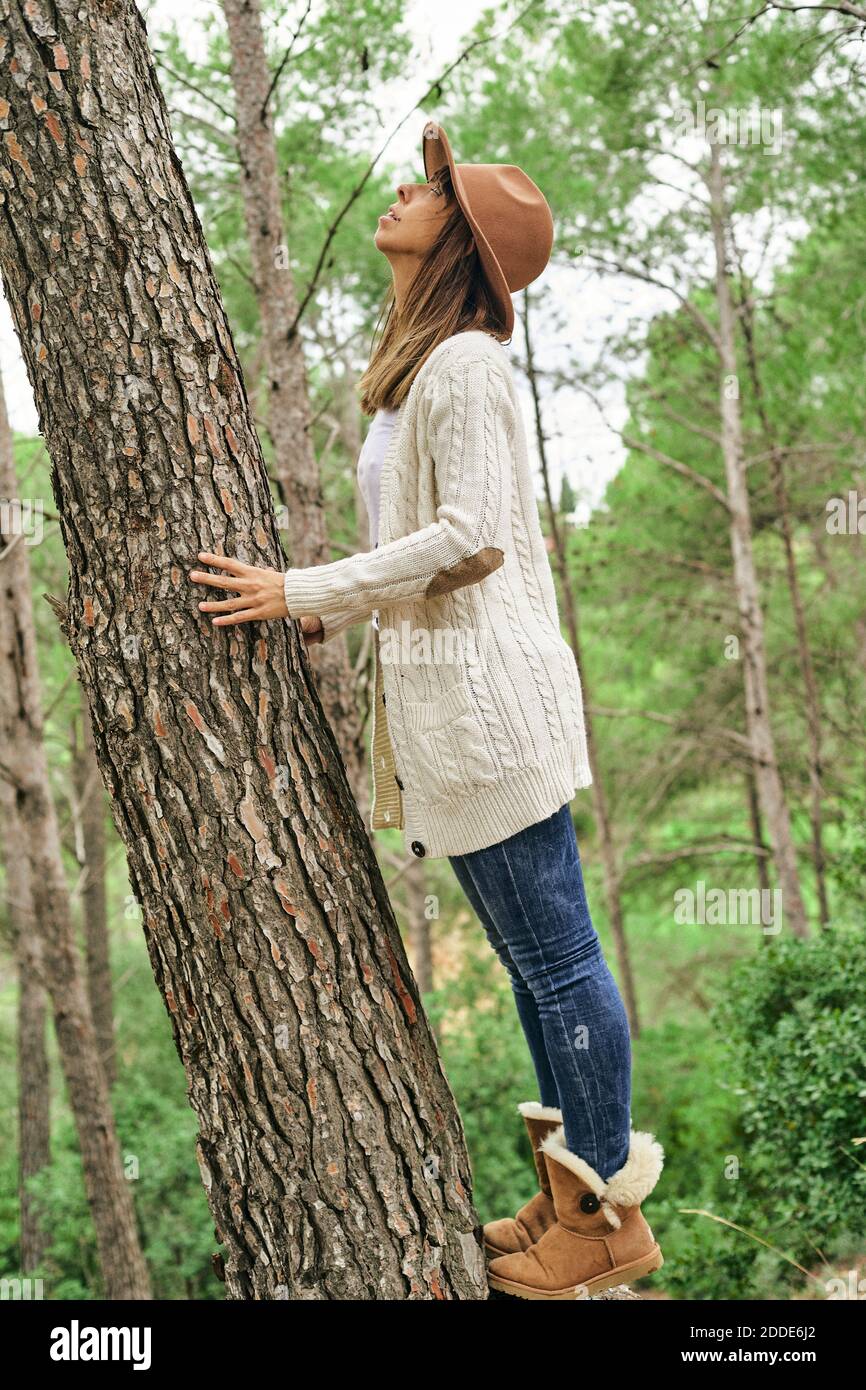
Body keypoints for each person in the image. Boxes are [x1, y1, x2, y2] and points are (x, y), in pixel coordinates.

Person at [189, 119, 663, 1299]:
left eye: (431, 187)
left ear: (460, 238)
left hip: (489, 706)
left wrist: (305, 588)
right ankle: (567, 1194)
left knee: (556, 959)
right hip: (453, 709)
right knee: (529, 961)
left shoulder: (465, 365)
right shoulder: (424, 366)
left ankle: (605, 1217)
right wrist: (335, 612)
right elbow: (428, 553)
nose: (406, 188)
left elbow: (474, 538)